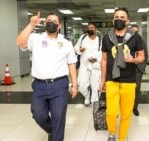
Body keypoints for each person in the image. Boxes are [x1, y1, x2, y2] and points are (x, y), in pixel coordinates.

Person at [16, 12, 78, 141]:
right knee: (38, 115)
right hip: (39, 85)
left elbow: (71, 63)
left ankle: (56, 136)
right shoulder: (35, 38)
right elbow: (20, 42)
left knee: (58, 117)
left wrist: (74, 85)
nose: (51, 23)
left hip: (59, 84)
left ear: (59, 25)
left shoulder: (66, 42)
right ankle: (52, 130)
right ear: (44, 23)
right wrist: (31, 24)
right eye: (49, 20)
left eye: (55, 21)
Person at [101, 7, 145, 141]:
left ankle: (121, 137)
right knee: (111, 112)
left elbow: (142, 57)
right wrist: (102, 80)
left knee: (126, 113)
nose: (119, 20)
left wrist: (133, 60)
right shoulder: (106, 38)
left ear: (127, 21)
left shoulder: (135, 38)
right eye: (117, 17)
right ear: (113, 20)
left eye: (122, 18)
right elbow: (103, 60)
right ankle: (112, 132)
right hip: (111, 79)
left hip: (129, 81)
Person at [74, 23, 102, 106]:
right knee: (82, 85)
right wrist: (80, 50)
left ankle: (94, 102)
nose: (90, 29)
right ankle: (87, 96)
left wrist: (96, 59)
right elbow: (76, 48)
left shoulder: (100, 40)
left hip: (95, 66)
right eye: (89, 28)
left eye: (92, 28)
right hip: (84, 65)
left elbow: (103, 54)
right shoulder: (83, 38)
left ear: (96, 30)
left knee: (95, 85)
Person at [131, 24, 148, 116]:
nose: (135, 33)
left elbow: (145, 56)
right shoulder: (126, 42)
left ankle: (135, 108)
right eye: (133, 31)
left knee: (137, 89)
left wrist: (142, 68)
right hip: (127, 69)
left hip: (138, 69)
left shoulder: (142, 41)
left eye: (136, 32)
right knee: (126, 90)